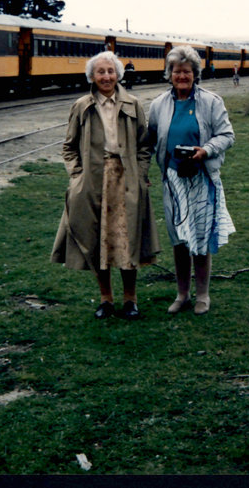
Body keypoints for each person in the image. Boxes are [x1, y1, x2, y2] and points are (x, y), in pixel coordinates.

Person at [50, 50, 160, 320]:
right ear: (92, 76)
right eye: (101, 72)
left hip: (127, 179)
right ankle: (106, 299)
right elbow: (68, 146)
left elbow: (145, 145)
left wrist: (141, 173)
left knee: (127, 240)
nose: (106, 77)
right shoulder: (82, 106)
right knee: (97, 239)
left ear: (118, 75)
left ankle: (130, 300)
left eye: (111, 71)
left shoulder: (133, 104)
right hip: (92, 181)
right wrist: (77, 175)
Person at [147, 45, 235, 316]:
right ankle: (182, 294)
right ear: (169, 74)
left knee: (200, 236)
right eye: (177, 71)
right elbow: (149, 141)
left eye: (187, 72)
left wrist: (205, 150)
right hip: (173, 180)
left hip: (201, 179)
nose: (182, 76)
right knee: (179, 239)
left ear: (195, 74)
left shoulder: (210, 101)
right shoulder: (158, 105)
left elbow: (226, 135)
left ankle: (203, 295)